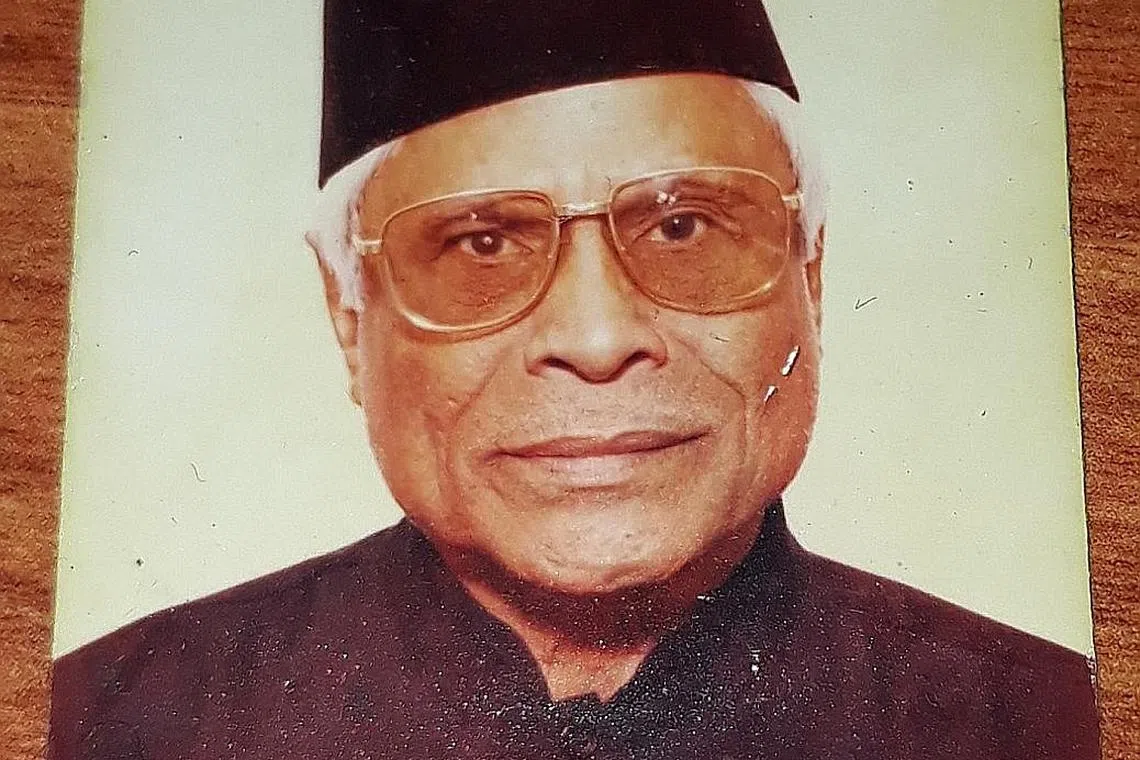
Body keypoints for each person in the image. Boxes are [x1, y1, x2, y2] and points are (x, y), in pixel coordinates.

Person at [48, 1, 1100, 758]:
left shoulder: (1047, 723)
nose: (597, 338)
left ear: (810, 273)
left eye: (683, 226)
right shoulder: (115, 722)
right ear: (348, 313)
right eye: (482, 243)